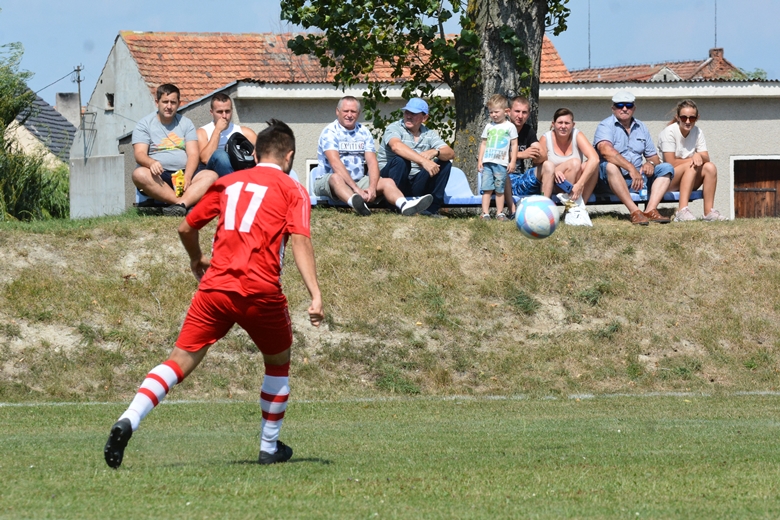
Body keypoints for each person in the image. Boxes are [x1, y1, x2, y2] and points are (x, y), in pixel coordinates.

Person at [104, 119, 324, 468]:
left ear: (254, 153)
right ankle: (269, 445)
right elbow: (300, 241)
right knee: (278, 362)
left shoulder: (228, 182)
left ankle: (130, 417)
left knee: (177, 362)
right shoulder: (292, 188)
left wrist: (196, 259)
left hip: (216, 287)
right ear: (290, 156)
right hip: (260, 290)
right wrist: (315, 294)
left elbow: (185, 225)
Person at [313, 96, 432, 216]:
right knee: (336, 178)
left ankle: (404, 205)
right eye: (345, 111)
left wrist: (372, 187)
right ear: (337, 111)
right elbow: (335, 163)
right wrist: (356, 189)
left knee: (388, 182)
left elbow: (372, 162)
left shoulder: (363, 132)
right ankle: (357, 203)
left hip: (358, 180)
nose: (349, 115)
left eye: (353, 111)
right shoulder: (330, 132)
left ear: (358, 113)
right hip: (328, 181)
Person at [131, 84, 218, 216]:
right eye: (165, 102)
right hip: (159, 176)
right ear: (157, 102)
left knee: (212, 176)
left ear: (179, 104)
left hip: (184, 174)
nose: (169, 106)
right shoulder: (144, 124)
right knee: (139, 174)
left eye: (173, 102)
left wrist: (188, 176)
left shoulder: (186, 123)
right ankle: (183, 203)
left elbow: (193, 153)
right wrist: (151, 163)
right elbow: (139, 154)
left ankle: (179, 206)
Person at [593, 91, 674, 225]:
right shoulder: (605, 125)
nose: (624, 108)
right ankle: (635, 211)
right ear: (613, 108)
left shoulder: (641, 127)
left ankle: (650, 210)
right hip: (610, 180)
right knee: (610, 166)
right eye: (620, 105)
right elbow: (605, 150)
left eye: (628, 105)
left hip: (638, 180)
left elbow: (654, 157)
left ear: (634, 108)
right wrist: (631, 168)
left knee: (666, 167)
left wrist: (650, 163)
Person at [377, 98, 455, 218]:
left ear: (424, 118)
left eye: (413, 114)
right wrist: (423, 161)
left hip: (415, 181)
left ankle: (431, 210)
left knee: (445, 163)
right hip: (390, 180)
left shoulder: (428, 133)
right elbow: (396, 147)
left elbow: (450, 153)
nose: (408, 116)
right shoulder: (394, 128)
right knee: (401, 160)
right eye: (407, 112)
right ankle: (395, 206)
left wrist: (435, 152)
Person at [658, 99, 726, 222]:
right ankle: (682, 211)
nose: (688, 121)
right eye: (684, 118)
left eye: (692, 118)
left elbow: (706, 158)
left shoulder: (698, 132)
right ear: (677, 117)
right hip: (668, 180)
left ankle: (709, 212)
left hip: (689, 177)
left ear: (697, 118)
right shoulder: (668, 132)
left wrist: (698, 156)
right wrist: (693, 158)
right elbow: (670, 163)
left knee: (710, 167)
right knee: (691, 166)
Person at [535, 108, 599, 204]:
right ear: (553, 124)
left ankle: (580, 206)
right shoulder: (546, 138)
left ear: (573, 125)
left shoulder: (577, 134)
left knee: (592, 165)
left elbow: (595, 159)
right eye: (560, 123)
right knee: (575, 163)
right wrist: (554, 170)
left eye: (567, 123)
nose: (563, 126)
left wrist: (580, 184)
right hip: (554, 182)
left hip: (576, 183)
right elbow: (538, 164)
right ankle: (571, 204)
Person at [197, 93, 258, 177]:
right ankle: (234, 184)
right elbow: (206, 159)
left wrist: (259, 149)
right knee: (220, 155)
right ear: (212, 112)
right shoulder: (203, 132)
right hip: (213, 173)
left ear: (232, 111)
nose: (224, 116)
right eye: (219, 112)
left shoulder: (244, 132)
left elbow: (266, 151)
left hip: (240, 170)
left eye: (227, 111)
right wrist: (217, 130)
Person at [477, 94, 517, 221]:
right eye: (491, 112)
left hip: (501, 163)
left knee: (500, 189)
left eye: (496, 112)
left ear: (506, 111)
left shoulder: (510, 126)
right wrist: (480, 160)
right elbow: (483, 143)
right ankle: (485, 213)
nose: (493, 115)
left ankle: (500, 212)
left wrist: (513, 161)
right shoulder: (489, 126)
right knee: (486, 189)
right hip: (488, 162)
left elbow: (514, 145)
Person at [504, 96, 543, 218]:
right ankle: (513, 211)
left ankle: (545, 210)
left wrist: (538, 154)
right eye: (517, 111)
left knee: (547, 166)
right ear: (508, 111)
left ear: (528, 114)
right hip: (503, 179)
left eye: (524, 112)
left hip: (520, 179)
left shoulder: (528, 131)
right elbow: (494, 154)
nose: (520, 116)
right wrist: (522, 154)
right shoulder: (500, 129)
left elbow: (541, 154)